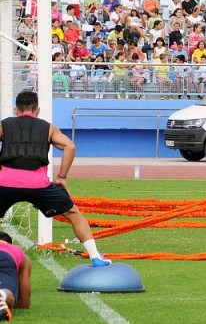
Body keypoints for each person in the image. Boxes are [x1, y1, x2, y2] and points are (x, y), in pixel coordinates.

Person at [0, 91, 112, 267]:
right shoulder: (48, 128)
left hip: (5, 183)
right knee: (74, 213)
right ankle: (95, 257)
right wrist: (61, 177)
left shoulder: (4, 125)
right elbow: (70, 147)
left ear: (16, 110)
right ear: (37, 110)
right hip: (37, 184)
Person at [0, 232, 31, 320]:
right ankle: (2, 295)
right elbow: (24, 303)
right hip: (6, 258)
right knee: (7, 294)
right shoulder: (18, 251)